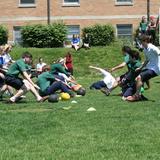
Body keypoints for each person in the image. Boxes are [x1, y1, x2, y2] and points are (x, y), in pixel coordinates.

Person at [127, 35, 160, 101]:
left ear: (145, 41)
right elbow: (147, 60)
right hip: (150, 67)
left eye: (140, 42)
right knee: (137, 79)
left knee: (139, 78)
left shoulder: (152, 47)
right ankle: (140, 96)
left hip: (156, 69)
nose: (139, 43)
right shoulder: (145, 49)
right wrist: (140, 68)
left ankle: (136, 96)